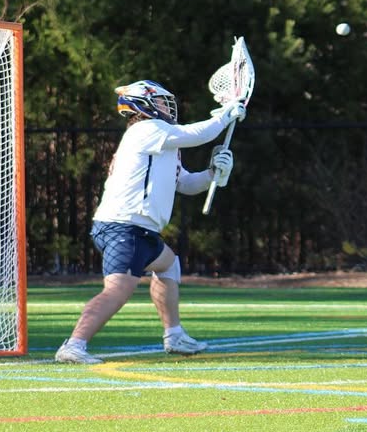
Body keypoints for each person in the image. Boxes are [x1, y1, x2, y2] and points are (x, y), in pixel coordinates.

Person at [55, 80, 244, 364]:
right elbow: (198, 134)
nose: (167, 107)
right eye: (161, 101)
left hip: (140, 229)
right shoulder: (146, 129)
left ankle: (174, 335)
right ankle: (74, 345)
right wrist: (226, 114)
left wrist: (212, 174)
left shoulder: (163, 140)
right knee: (117, 291)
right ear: (142, 104)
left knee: (168, 264)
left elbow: (185, 183)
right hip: (124, 226)